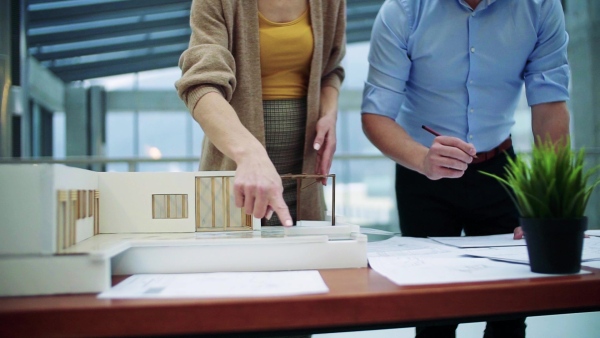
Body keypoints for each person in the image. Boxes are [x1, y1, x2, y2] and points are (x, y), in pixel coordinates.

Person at [361, 0, 570, 337]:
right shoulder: (403, 10)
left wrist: (549, 206)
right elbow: (376, 115)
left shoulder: (540, 7)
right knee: (434, 316)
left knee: (510, 311)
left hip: (500, 169)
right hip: (423, 171)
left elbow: (550, 107)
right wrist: (423, 160)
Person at [176, 0, 346, 227]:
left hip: (304, 179)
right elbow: (200, 85)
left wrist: (329, 112)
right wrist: (249, 154)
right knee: (234, 257)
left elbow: (331, 70)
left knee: (307, 257)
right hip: (237, 173)